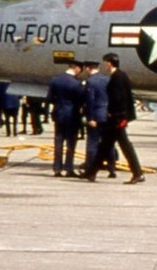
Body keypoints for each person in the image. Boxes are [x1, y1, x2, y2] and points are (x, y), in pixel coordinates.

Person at [83, 53, 144, 183]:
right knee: (104, 145)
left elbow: (120, 98)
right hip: (116, 118)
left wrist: (117, 115)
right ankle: (91, 172)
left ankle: (137, 173)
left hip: (117, 119)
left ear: (109, 63)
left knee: (124, 146)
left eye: (105, 63)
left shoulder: (117, 77)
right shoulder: (120, 76)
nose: (104, 66)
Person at [47, 62, 85, 176]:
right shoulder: (76, 83)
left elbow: (49, 98)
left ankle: (57, 168)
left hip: (58, 113)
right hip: (72, 115)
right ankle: (69, 168)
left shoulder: (55, 80)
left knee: (58, 141)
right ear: (77, 68)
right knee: (70, 143)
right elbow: (81, 100)